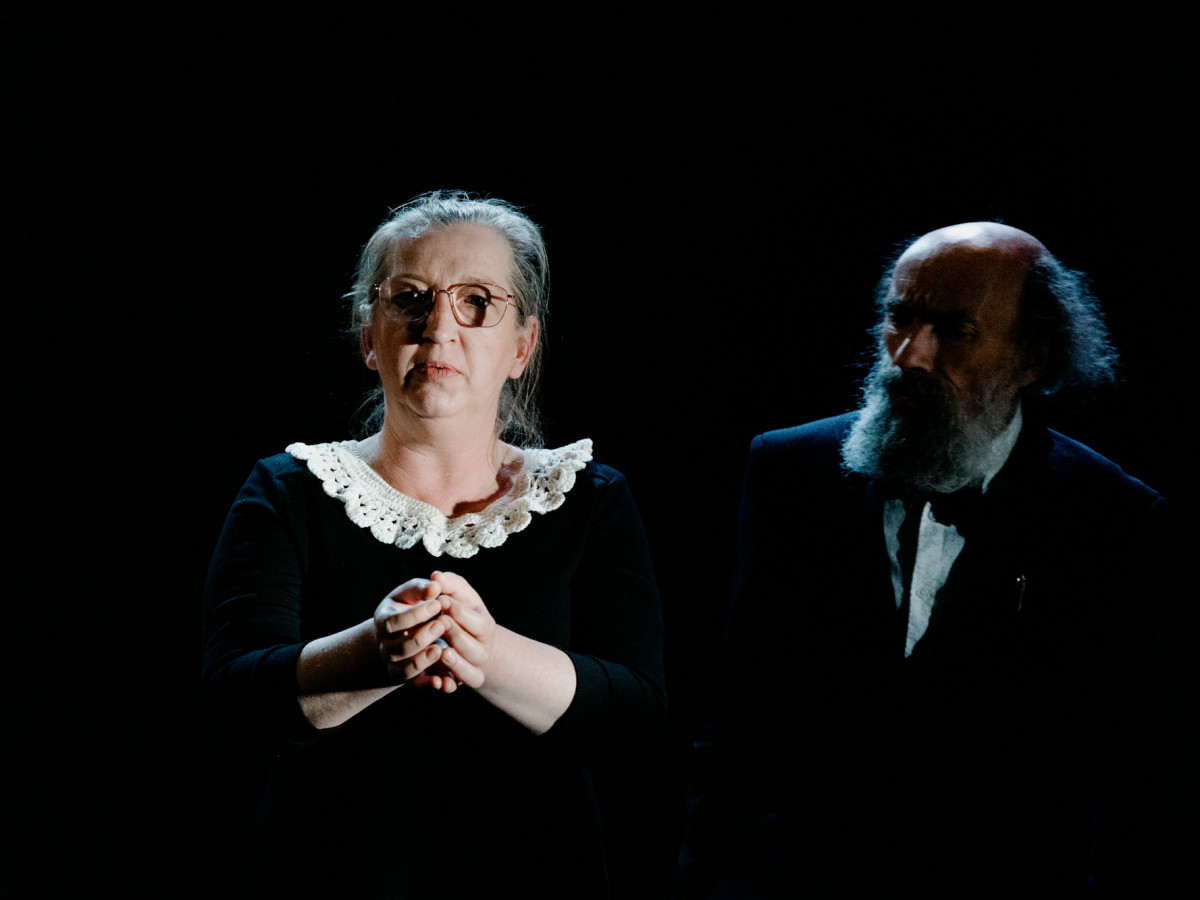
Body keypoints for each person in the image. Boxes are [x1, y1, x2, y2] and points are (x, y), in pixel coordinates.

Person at [679, 222, 1182, 896]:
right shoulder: (790, 470)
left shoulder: (1111, 519)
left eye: (954, 330)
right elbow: (739, 723)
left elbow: (1132, 779)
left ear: (1033, 358)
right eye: (900, 319)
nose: (908, 356)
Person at [201, 192, 666, 899]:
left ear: (522, 347)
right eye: (410, 299)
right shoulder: (287, 490)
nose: (440, 328)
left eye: (476, 302)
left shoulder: (590, 498)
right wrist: (373, 652)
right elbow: (231, 710)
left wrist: (489, 652)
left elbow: (637, 724)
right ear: (369, 338)